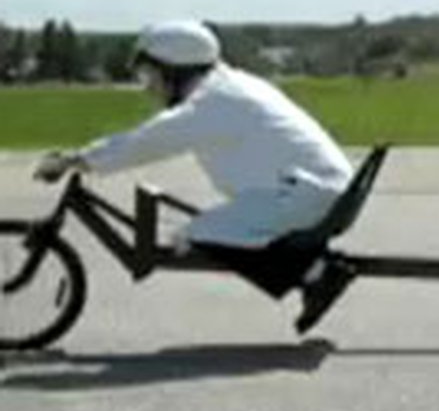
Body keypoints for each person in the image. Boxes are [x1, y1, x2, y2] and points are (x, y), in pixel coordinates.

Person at [33, 19, 357, 334]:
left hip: (308, 195)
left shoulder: (210, 103)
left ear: (175, 68)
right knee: (216, 229)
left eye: (152, 74)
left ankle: (318, 274)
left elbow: (147, 141)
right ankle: (314, 268)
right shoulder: (227, 86)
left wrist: (77, 160)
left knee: (199, 233)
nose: (149, 87)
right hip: (317, 188)